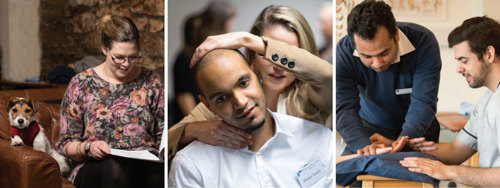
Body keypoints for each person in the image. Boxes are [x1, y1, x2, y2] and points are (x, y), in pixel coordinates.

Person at [168, 5, 332, 165]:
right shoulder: (230, 99)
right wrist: (194, 130)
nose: (277, 66)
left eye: (284, 56)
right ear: (253, 56)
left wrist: (245, 39)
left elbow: (328, 74)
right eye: (264, 55)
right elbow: (166, 143)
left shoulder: (312, 96)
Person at [169, 49, 333, 187]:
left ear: (255, 72)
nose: (240, 102)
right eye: (222, 98)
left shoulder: (319, 140)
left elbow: (328, 76)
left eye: (243, 83)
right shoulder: (191, 166)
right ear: (207, 105)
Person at [56, 15, 164, 188]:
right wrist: (88, 148)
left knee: (159, 176)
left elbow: (163, 133)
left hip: (145, 165)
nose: (126, 64)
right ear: (105, 49)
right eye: (119, 57)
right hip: (97, 166)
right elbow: (66, 143)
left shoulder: (151, 81)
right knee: (116, 171)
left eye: (133, 57)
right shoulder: (81, 83)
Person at [400, 16, 500, 187]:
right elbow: (455, 152)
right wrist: (400, 146)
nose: (459, 69)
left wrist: (449, 172)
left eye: (464, 61)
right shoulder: (487, 101)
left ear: (489, 54)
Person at [336, 0, 442, 155]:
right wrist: (364, 146)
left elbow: (423, 101)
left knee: (416, 176)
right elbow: (344, 108)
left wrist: (402, 142)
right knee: (350, 175)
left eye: (384, 53)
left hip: (420, 129)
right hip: (369, 130)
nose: (377, 64)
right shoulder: (344, 52)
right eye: (367, 56)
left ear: (396, 35)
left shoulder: (424, 41)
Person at [172, 0, 235, 121]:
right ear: (223, 23)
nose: (232, 25)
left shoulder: (222, 52)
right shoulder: (185, 57)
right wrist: (201, 124)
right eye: (231, 20)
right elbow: (184, 96)